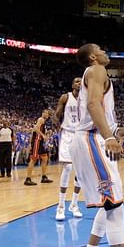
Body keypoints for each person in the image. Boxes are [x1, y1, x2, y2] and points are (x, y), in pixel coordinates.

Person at [71, 43, 124, 247]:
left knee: (111, 203)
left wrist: (116, 131)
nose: (105, 51)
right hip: (91, 139)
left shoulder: (93, 73)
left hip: (91, 138)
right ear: (93, 57)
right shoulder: (97, 70)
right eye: (101, 49)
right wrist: (109, 138)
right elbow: (92, 105)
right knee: (115, 209)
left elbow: (98, 111)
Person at [53, 77, 84, 221]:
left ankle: (74, 204)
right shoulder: (66, 97)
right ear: (72, 84)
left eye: (81, 81)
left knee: (79, 172)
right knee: (67, 168)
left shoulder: (86, 99)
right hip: (67, 134)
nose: (79, 83)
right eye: (76, 81)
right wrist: (56, 121)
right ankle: (60, 206)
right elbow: (56, 115)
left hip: (80, 135)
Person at [24, 110, 53, 186]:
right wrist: (43, 135)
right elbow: (36, 129)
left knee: (45, 158)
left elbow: (39, 130)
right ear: (42, 113)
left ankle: (44, 177)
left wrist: (47, 133)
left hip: (40, 142)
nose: (45, 114)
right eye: (44, 113)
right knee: (33, 159)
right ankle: (28, 179)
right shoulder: (41, 119)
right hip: (37, 141)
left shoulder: (44, 122)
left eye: (47, 113)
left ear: (48, 116)